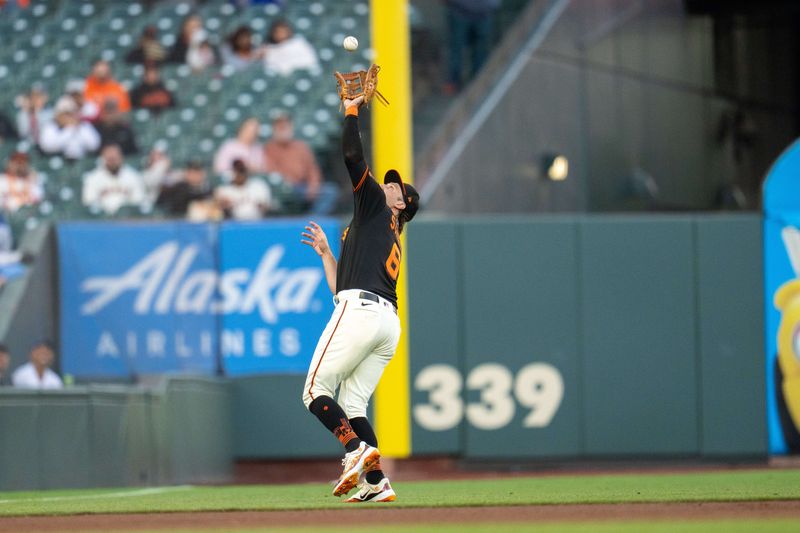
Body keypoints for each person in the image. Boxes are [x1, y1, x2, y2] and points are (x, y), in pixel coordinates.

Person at [299, 94, 419, 503]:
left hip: (363, 310)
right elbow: (341, 290)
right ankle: (376, 482)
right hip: (385, 322)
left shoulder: (374, 208)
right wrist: (328, 256)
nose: (386, 185)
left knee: (315, 390)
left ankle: (355, 450)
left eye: (395, 186)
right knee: (352, 403)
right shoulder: (383, 230)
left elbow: (352, 155)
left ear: (401, 204)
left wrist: (351, 109)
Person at [264, 113, 338, 214]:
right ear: (274, 130)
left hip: (304, 186)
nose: (283, 130)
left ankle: (311, 220)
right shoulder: (270, 148)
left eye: (285, 127)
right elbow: (272, 171)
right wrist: (288, 181)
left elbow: (312, 169)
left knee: (331, 191)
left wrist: (313, 185)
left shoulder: (301, 146)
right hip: (286, 189)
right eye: (280, 127)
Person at [444, 0, 501, 93]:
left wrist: (493, 5)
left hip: (484, 13)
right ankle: (453, 81)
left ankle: (479, 82)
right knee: (456, 48)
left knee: (481, 50)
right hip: (459, 12)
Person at [82, 144, 146, 215]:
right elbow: (89, 202)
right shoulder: (93, 178)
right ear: (103, 159)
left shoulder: (134, 176)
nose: (113, 162)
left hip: (127, 220)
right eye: (110, 159)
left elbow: (138, 201)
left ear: (121, 158)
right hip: (101, 221)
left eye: (115, 159)